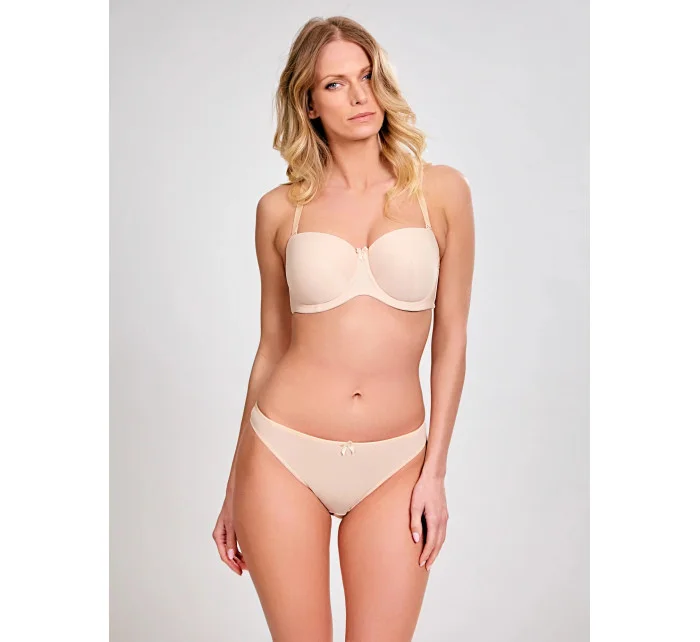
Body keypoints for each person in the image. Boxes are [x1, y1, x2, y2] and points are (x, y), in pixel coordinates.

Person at [212, 15, 475, 642]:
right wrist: (234, 485)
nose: (360, 96)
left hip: (397, 462)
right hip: (282, 453)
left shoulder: (441, 192)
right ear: (308, 103)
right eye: (335, 84)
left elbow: (452, 338)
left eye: (367, 76)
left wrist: (435, 472)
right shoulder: (280, 209)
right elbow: (272, 348)